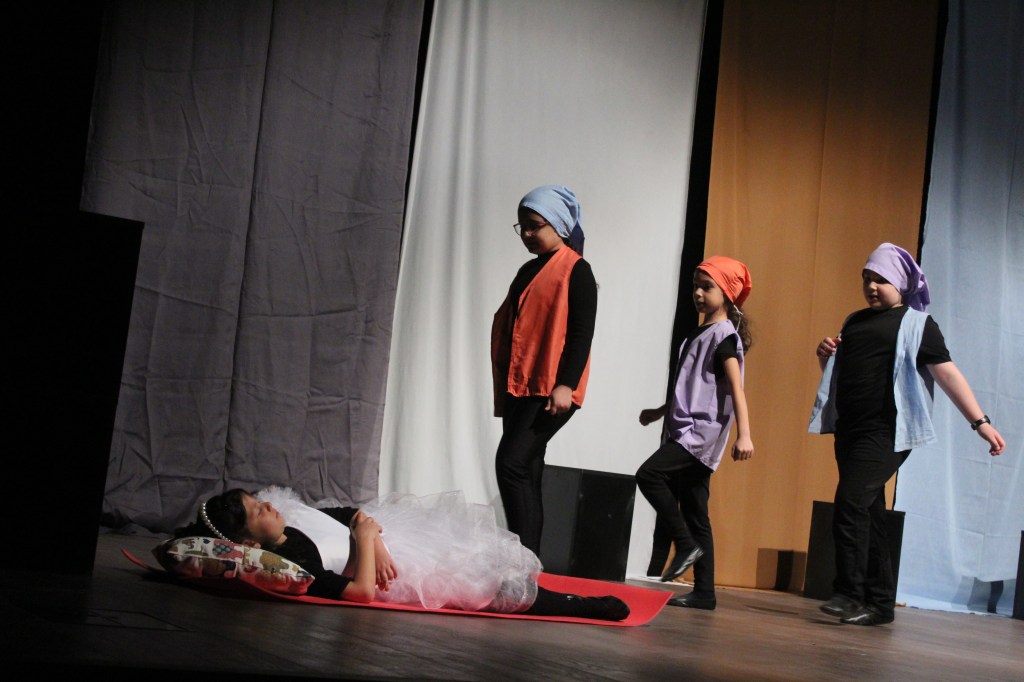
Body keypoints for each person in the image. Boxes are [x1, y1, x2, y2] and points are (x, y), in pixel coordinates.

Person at [809, 242, 1006, 626]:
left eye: (880, 279)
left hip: (887, 432)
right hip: (850, 431)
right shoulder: (854, 321)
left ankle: (849, 593)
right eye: (866, 278)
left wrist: (980, 422)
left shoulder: (918, 325)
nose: (871, 286)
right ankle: (880, 604)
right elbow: (843, 377)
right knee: (871, 515)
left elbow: (947, 375)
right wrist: (824, 356)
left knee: (850, 502)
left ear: (900, 282)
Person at [175, 485, 630, 620]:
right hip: (398, 572)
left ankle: (555, 595)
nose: (268, 505)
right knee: (491, 589)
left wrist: (369, 530)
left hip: (394, 540)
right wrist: (366, 540)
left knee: (481, 556)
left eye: (259, 500)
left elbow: (350, 513)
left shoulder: (291, 518)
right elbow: (359, 593)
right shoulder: (296, 563)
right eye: (258, 510)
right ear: (250, 543)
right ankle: (581, 605)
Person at [634, 256, 755, 611]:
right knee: (696, 511)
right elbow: (691, 386)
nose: (698, 294)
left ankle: (685, 544)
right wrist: (660, 411)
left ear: (727, 293)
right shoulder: (697, 334)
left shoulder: (724, 338)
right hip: (686, 430)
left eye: (707, 287)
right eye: (696, 287)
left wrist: (745, 434)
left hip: (700, 434)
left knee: (649, 474)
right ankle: (705, 592)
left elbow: (736, 388)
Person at [490, 184, 597, 555]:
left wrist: (566, 384)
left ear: (558, 224)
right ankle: (528, 567)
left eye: (535, 225)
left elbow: (582, 333)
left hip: (549, 387)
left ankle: (521, 563)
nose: (527, 234)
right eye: (522, 227)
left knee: (511, 464)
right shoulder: (529, 269)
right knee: (528, 470)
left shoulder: (576, 269)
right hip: (520, 384)